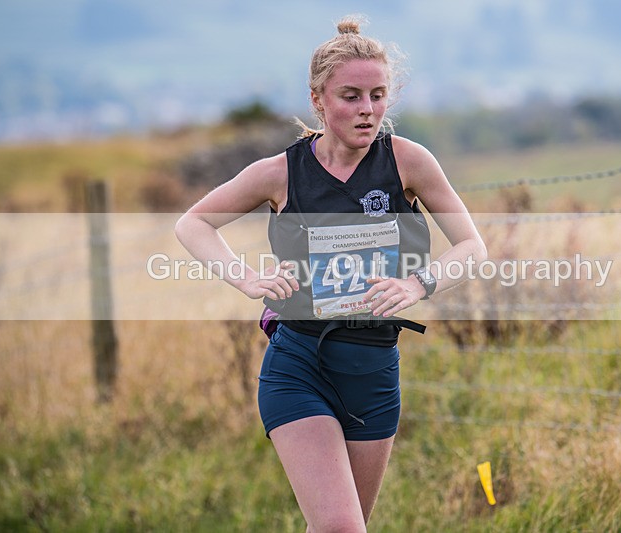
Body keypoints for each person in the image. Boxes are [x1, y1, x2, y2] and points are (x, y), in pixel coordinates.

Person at [175, 15, 486, 532]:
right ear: (318, 99)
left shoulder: (409, 162)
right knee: (342, 527)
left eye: (378, 95)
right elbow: (194, 223)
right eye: (351, 96)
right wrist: (244, 278)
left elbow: (472, 246)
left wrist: (418, 283)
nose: (368, 110)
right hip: (299, 364)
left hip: (373, 369)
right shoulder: (279, 173)